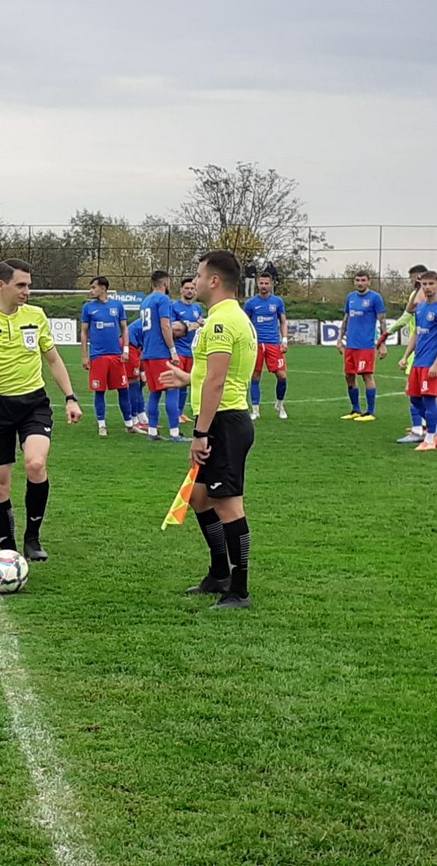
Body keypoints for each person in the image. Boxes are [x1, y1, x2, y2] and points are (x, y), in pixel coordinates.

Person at [0, 259, 82, 562]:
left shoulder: (35, 316)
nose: (27, 291)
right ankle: (8, 551)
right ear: (1, 285)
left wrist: (71, 397)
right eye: (21, 285)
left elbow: (53, 359)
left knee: (35, 464)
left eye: (28, 285)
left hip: (33, 404)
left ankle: (32, 538)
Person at [160, 250, 257, 609]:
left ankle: (239, 589)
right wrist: (188, 378)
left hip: (224, 422)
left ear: (214, 280)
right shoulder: (229, 317)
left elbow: (217, 381)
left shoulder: (220, 323)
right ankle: (219, 574)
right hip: (225, 418)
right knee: (200, 498)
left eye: (199, 275)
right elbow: (218, 375)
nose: (195, 281)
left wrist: (200, 434)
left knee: (228, 505)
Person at [398, 271, 437, 451]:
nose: (428, 288)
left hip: (432, 362)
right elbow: (416, 334)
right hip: (418, 361)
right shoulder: (420, 308)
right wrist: (405, 356)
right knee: (415, 399)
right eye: (425, 284)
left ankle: (430, 439)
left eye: (431, 284)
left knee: (429, 399)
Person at [80, 276, 142, 436]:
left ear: (103, 288)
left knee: (123, 389)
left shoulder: (117, 305)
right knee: (99, 391)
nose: (91, 291)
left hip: (116, 356)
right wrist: (84, 356)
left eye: (93, 287)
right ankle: (102, 425)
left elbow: (124, 328)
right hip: (98, 356)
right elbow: (84, 333)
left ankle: (129, 424)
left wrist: (125, 349)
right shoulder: (88, 307)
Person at [140, 270, 186, 442]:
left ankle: (152, 432)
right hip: (161, 352)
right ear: (165, 283)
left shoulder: (145, 301)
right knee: (172, 390)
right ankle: (174, 433)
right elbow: (165, 325)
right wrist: (173, 350)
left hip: (148, 353)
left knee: (154, 392)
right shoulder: (163, 299)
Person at [336, 270, 387, 421]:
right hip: (350, 345)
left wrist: (382, 343)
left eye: (363, 280)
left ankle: (370, 412)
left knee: (366, 375)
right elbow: (346, 318)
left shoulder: (375, 298)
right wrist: (340, 339)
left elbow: (382, 321)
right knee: (349, 376)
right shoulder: (351, 297)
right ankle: (355, 409)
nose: (360, 283)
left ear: (369, 282)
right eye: (357, 280)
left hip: (366, 345)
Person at [243, 269, 288, 420]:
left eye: (266, 283)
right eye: (261, 283)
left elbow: (283, 321)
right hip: (256, 344)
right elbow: (245, 323)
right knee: (255, 375)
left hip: (273, 343)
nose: (263, 286)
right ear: (257, 284)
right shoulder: (250, 303)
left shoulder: (277, 302)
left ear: (271, 284)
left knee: (282, 376)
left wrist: (284, 339)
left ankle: (280, 405)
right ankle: (255, 410)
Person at [170, 277, 204, 424]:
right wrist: (189, 326)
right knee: (177, 382)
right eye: (187, 288)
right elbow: (171, 327)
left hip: (192, 351)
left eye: (192, 289)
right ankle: (175, 413)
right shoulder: (174, 307)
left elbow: (200, 324)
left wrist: (202, 323)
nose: (189, 291)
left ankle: (181, 412)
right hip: (179, 350)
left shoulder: (197, 308)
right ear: (181, 290)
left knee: (187, 383)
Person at [125, 314, 148, 426]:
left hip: (135, 347)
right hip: (131, 347)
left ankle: (142, 418)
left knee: (139, 384)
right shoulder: (156, 323)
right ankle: (134, 419)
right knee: (134, 383)